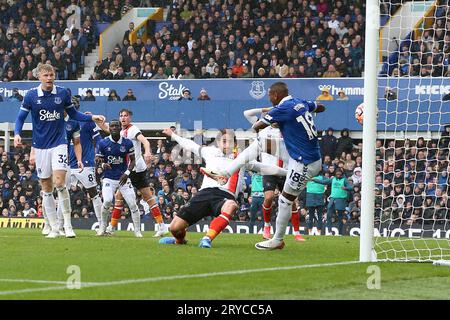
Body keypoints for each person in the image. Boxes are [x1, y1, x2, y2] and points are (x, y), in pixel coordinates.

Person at [14, 64, 105, 238]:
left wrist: (92, 117)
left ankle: (68, 226)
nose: (49, 78)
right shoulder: (31, 96)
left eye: (52, 75)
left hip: (59, 143)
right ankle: (54, 227)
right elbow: (20, 118)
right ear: (39, 76)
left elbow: (74, 114)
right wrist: (17, 133)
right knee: (47, 188)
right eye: (46, 75)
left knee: (60, 183)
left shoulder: (63, 93)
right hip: (40, 146)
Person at [159, 128, 286, 248]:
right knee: (175, 228)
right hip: (204, 194)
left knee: (231, 205)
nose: (227, 144)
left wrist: (287, 173)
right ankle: (179, 241)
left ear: (235, 144)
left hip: (225, 196)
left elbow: (266, 168)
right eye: (224, 141)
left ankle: (207, 238)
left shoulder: (242, 158)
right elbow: (190, 145)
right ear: (218, 142)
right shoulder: (210, 152)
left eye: (230, 141)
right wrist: (173, 135)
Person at [252, 82, 325, 250]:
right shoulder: (299, 102)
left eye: (269, 95)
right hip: (302, 157)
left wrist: (273, 120)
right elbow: (321, 107)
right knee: (267, 147)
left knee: (285, 200)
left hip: (304, 162)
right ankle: (249, 165)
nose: (269, 98)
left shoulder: (281, 109)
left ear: (275, 95)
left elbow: (257, 126)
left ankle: (277, 240)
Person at [106, 109, 168, 237]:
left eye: (126, 116)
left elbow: (145, 141)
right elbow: (107, 129)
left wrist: (147, 152)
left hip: (134, 169)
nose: (123, 118)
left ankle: (111, 227)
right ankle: (161, 226)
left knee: (121, 197)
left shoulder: (133, 129)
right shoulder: (120, 131)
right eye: (121, 116)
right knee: (145, 196)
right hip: (133, 169)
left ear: (130, 118)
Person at [67, 97, 108, 235]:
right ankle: (59, 225)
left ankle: (102, 226)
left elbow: (98, 139)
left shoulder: (87, 120)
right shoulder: (61, 121)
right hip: (67, 163)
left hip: (85, 164)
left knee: (94, 194)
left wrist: (99, 154)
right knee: (61, 193)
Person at [96, 120, 142, 237]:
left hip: (124, 178)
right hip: (108, 178)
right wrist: (102, 165)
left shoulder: (127, 143)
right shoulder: (103, 143)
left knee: (132, 204)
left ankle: (137, 231)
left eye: (117, 125)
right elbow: (98, 160)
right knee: (107, 201)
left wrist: (127, 173)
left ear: (120, 128)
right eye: (112, 126)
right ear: (109, 128)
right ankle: (102, 227)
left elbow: (133, 161)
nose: (115, 127)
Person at [313, 169, 353, 235]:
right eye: (337, 174)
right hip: (333, 199)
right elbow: (324, 182)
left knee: (340, 217)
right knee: (328, 215)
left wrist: (346, 188)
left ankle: (340, 233)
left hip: (341, 200)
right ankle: (329, 231)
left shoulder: (345, 180)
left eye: (339, 174)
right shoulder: (333, 179)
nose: (338, 175)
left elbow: (351, 187)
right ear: (335, 174)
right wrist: (314, 180)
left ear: (342, 174)